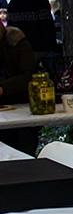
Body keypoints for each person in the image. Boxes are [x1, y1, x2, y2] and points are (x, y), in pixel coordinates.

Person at [0, 22, 38, 154]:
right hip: (4, 107)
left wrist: (3, 88)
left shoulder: (18, 43)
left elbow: (28, 76)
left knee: (24, 148)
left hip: (22, 102)